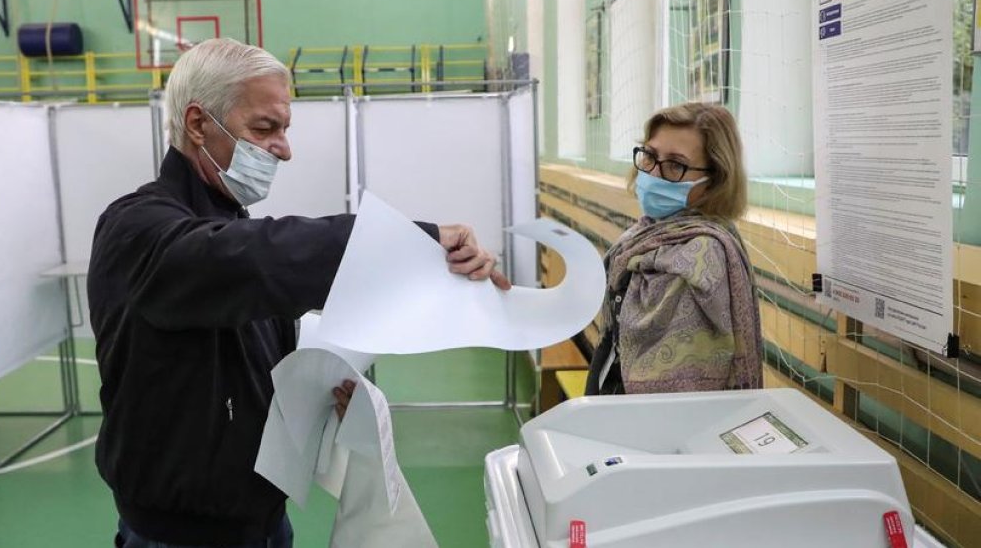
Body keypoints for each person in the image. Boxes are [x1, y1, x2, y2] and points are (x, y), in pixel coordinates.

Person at [88, 38, 509, 548]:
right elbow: (253, 259)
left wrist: (318, 390)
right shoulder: (139, 230)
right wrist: (409, 243)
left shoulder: (227, 227)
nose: (284, 149)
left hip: (261, 520)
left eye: (284, 129)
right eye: (265, 128)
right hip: (181, 535)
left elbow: (244, 355)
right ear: (198, 124)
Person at [584, 102, 763, 396]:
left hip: (658, 422)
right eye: (650, 156)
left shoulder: (702, 255)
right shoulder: (649, 231)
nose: (654, 173)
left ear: (716, 179)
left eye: (675, 165)